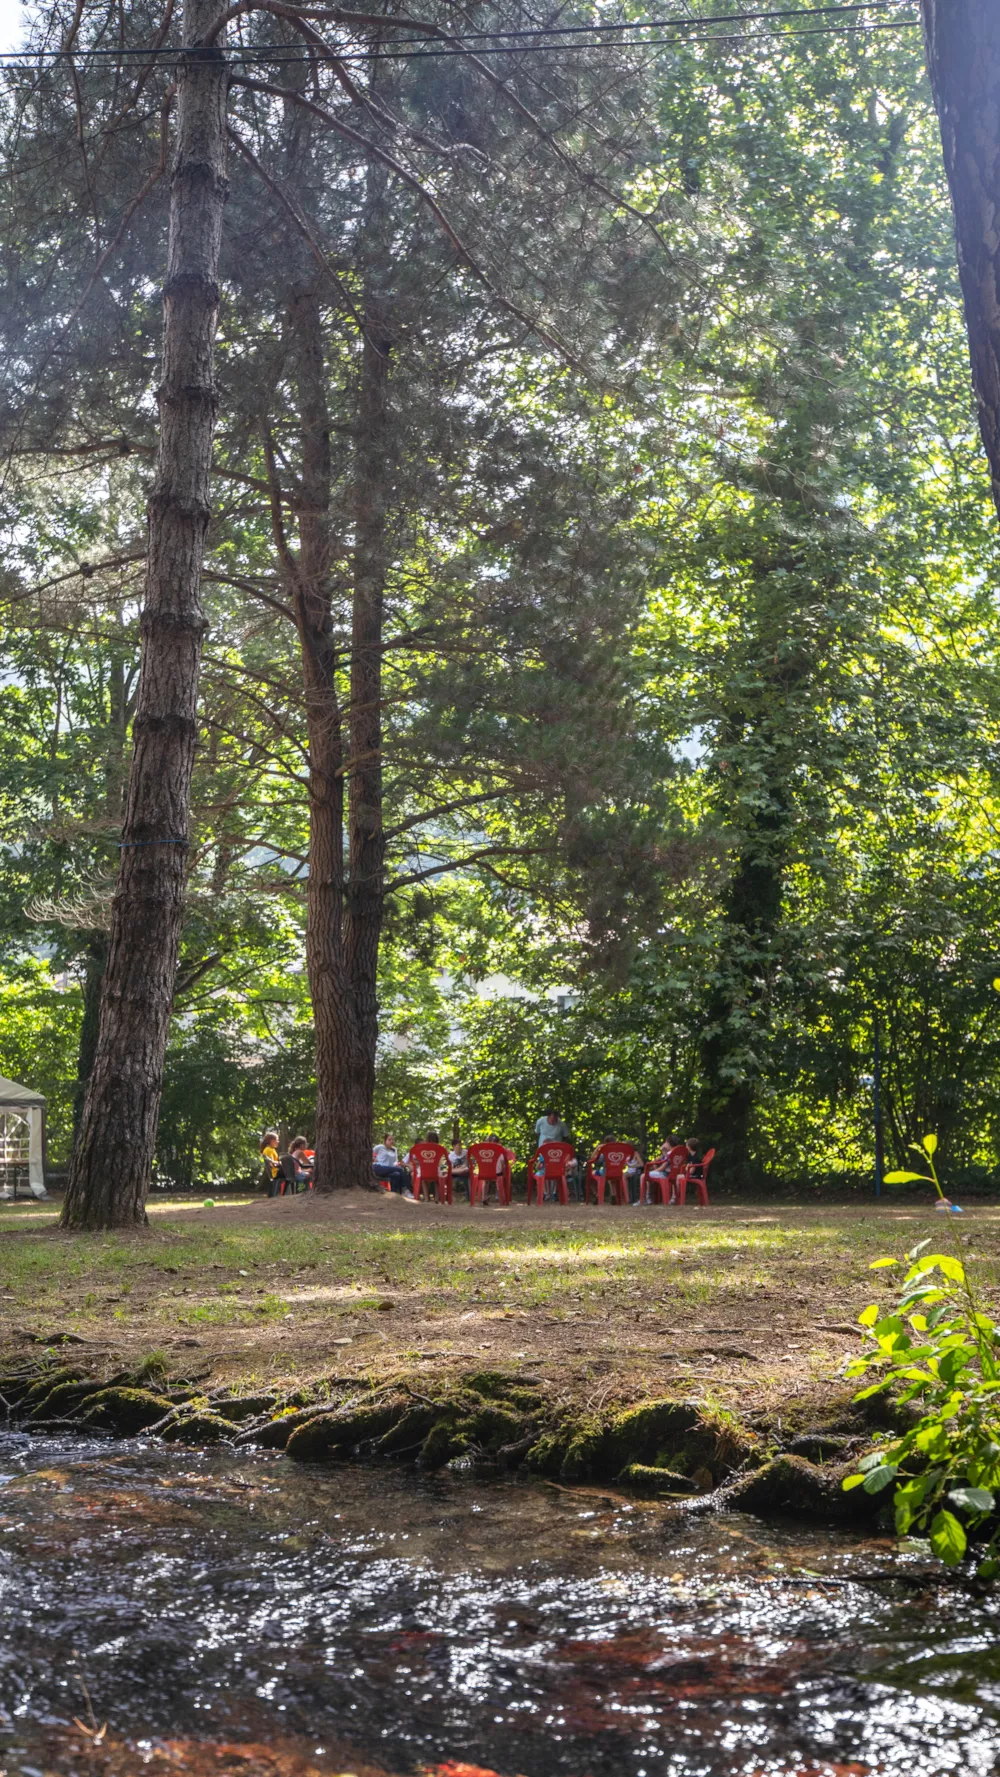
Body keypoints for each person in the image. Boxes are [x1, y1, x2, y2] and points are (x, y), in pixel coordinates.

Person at [373, 1131, 413, 1197]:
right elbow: (369, 1151)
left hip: (389, 1169)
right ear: (385, 1140)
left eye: (392, 1139)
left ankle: (393, 1193)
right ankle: (405, 1189)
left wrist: (398, 1164)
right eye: (389, 1139)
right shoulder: (380, 1147)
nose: (391, 1141)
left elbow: (395, 1161)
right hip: (379, 1167)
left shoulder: (394, 1149)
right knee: (400, 1170)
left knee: (396, 1174)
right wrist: (373, 1158)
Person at [260, 1129, 281, 1197]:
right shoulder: (268, 1150)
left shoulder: (271, 1149)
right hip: (275, 1172)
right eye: (277, 1140)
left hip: (275, 1172)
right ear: (271, 1141)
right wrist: (280, 1163)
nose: (278, 1142)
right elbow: (271, 1163)